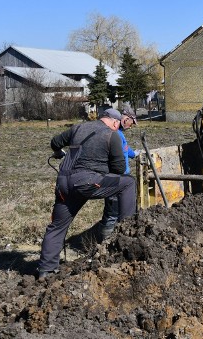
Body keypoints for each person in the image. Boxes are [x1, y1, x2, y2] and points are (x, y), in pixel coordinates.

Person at [38, 108, 137, 280]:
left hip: (64, 184)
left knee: (57, 226)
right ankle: (129, 230)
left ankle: (46, 270)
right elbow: (120, 169)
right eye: (117, 124)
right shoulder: (111, 135)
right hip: (88, 183)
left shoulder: (77, 128)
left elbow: (55, 142)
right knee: (128, 182)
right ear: (114, 122)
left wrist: (58, 153)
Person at [98, 107, 140, 240]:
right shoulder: (114, 134)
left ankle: (116, 238)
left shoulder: (119, 134)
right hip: (115, 179)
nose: (131, 126)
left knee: (118, 210)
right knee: (112, 211)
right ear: (125, 119)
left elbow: (125, 149)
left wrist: (134, 154)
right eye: (131, 122)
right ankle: (106, 242)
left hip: (122, 179)